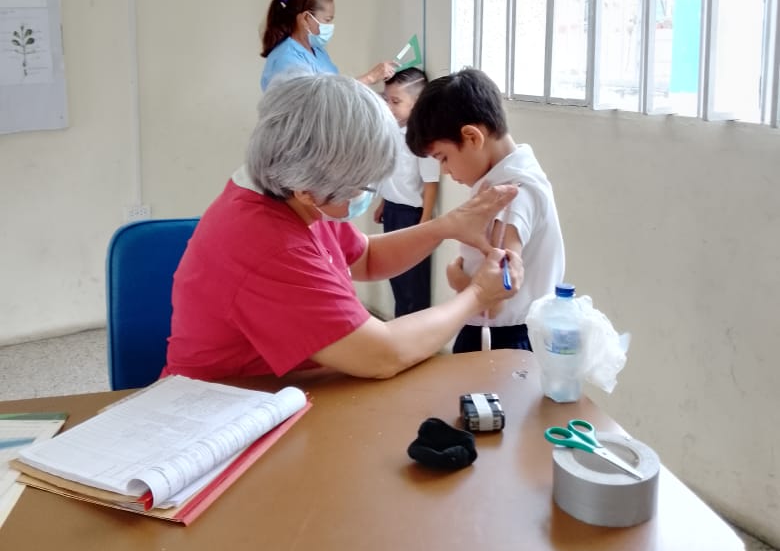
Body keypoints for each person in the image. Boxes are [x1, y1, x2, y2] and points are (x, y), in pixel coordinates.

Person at [163, 72, 522, 381]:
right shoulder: (268, 243)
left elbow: (366, 257)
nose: (363, 194)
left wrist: (446, 226)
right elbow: (382, 355)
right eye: (360, 186)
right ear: (307, 189)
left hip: (292, 388)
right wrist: (477, 295)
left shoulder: (290, 190)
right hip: (228, 406)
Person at [406, 67, 564, 353]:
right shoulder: (513, 177)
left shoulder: (511, 196)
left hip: (500, 340)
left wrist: (459, 281)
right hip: (499, 332)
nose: (444, 170)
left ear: (472, 137)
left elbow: (500, 292)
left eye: (443, 157)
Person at [374, 68, 440, 316]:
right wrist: (383, 203)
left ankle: (414, 329)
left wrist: (424, 223)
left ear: (416, 104)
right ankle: (399, 325)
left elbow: (431, 183)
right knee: (396, 276)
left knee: (413, 282)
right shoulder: (391, 131)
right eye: (386, 99)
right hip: (392, 212)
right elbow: (391, 174)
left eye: (396, 101)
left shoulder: (420, 138)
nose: (388, 107)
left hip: (411, 217)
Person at [259, 0, 396, 90]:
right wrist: (370, 78)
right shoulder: (286, 59)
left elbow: (335, 88)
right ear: (306, 18)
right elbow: (315, 102)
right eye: (327, 20)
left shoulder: (317, 51)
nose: (330, 26)